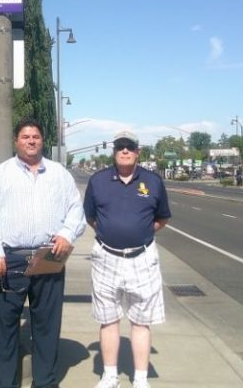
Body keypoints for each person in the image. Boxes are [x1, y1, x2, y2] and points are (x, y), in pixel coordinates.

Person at [0, 117, 86, 388]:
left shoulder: (59, 174)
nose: (31, 140)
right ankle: (6, 384)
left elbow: (76, 210)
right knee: (4, 329)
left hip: (48, 256)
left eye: (35, 136)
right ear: (16, 141)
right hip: (8, 260)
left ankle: (45, 383)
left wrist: (66, 234)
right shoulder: (1, 174)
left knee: (47, 327)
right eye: (25, 136)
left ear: (42, 140)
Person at [83, 131, 172, 388]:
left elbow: (162, 218)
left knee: (141, 321)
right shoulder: (98, 181)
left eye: (129, 146)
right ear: (114, 151)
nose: (125, 150)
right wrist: (112, 232)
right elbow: (91, 217)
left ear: (137, 151)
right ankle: (110, 375)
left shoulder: (153, 181)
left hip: (142, 258)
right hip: (105, 258)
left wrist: (141, 232)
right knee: (108, 318)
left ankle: (140, 379)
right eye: (120, 146)